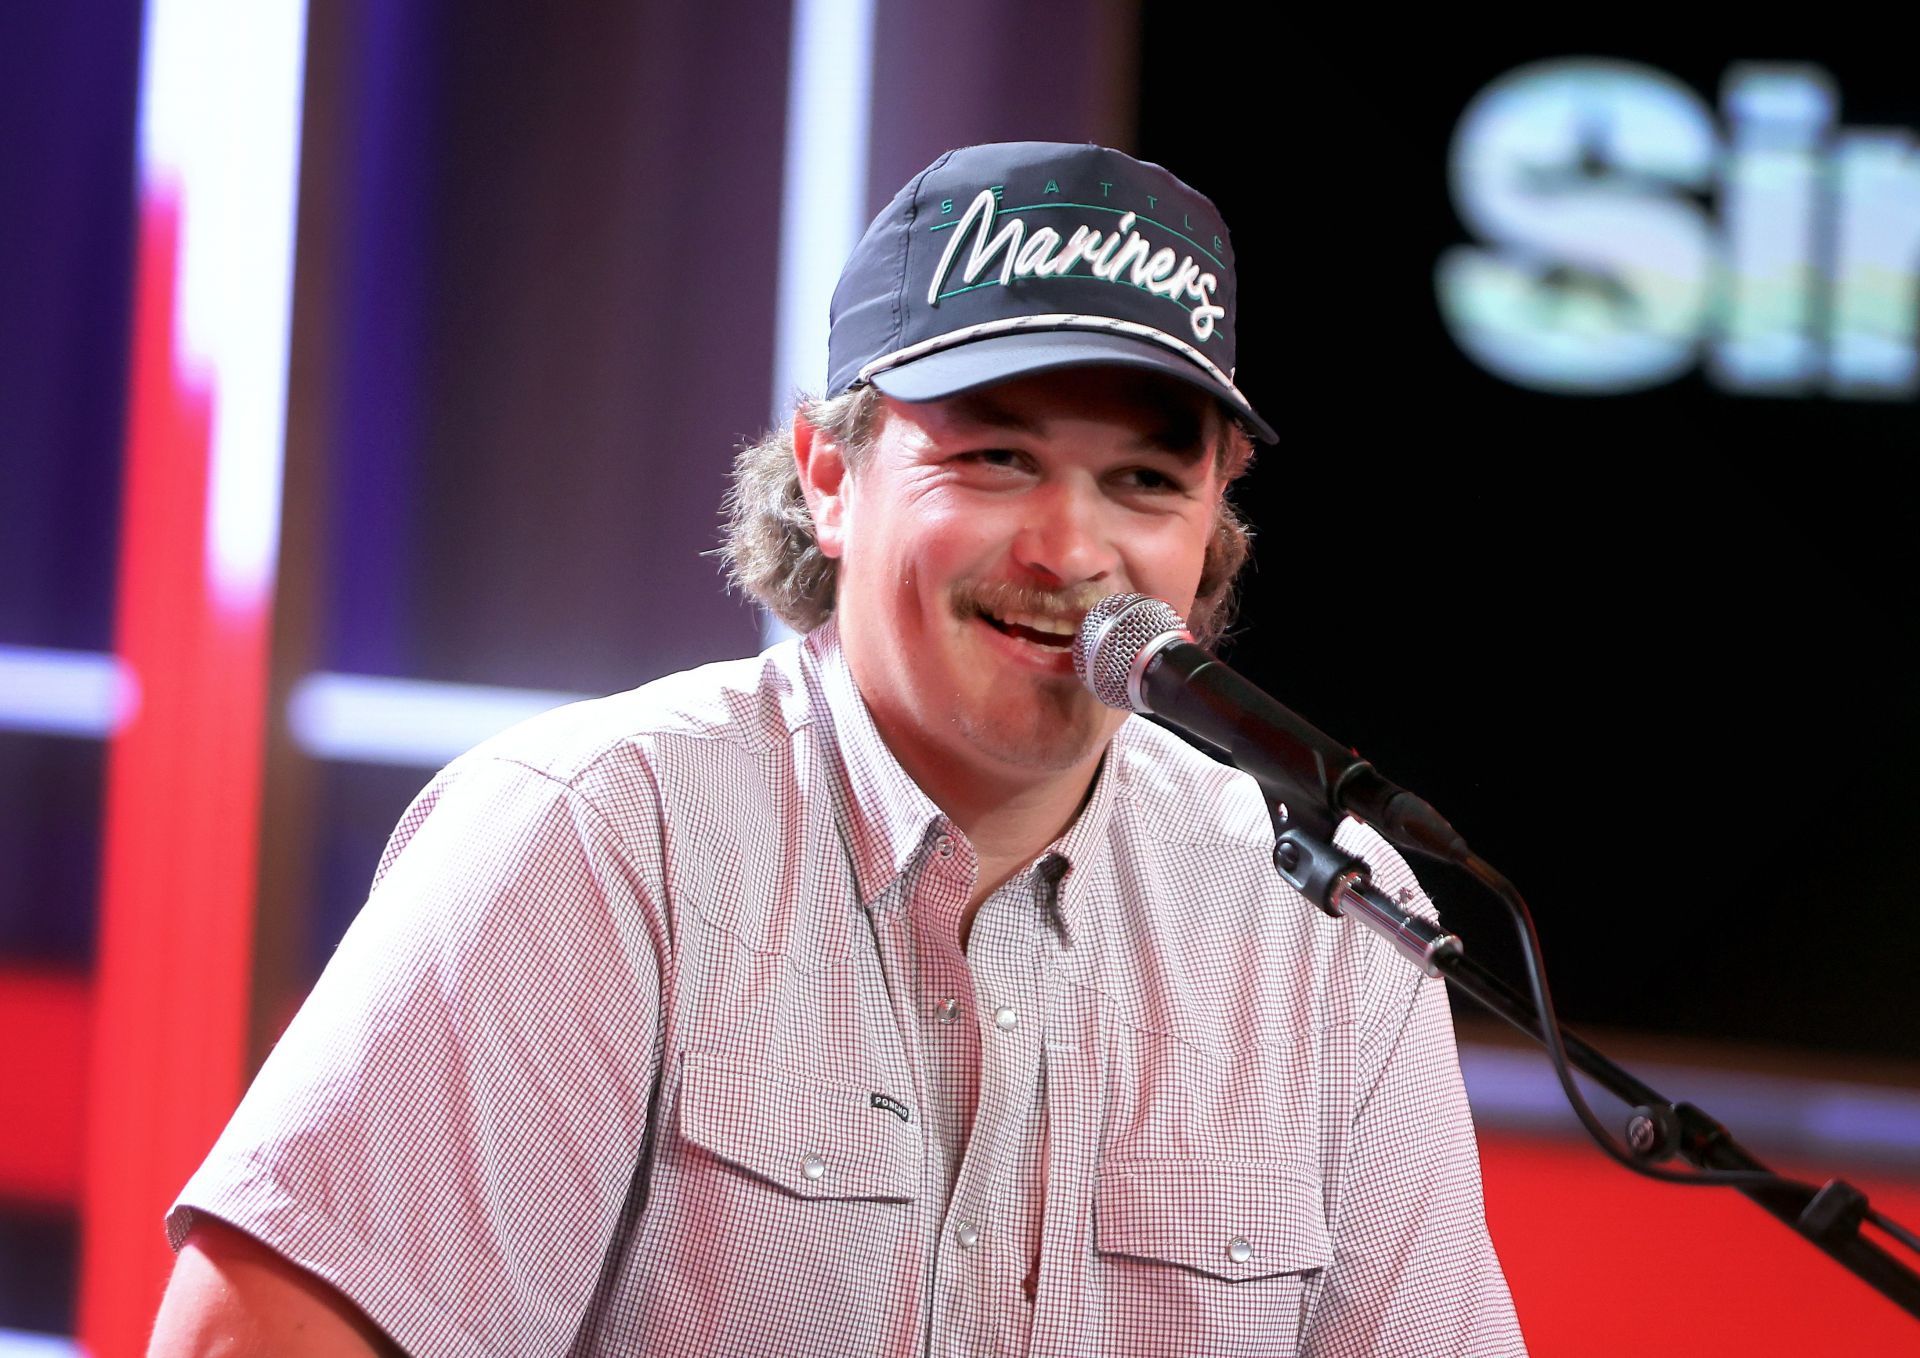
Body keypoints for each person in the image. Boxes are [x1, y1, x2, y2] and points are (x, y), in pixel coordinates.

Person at [151, 141, 1525, 1356]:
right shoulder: (596, 835)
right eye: (993, 457)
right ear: (827, 474)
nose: (1069, 549)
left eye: (1146, 481)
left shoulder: (1337, 924)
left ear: (1213, 526)